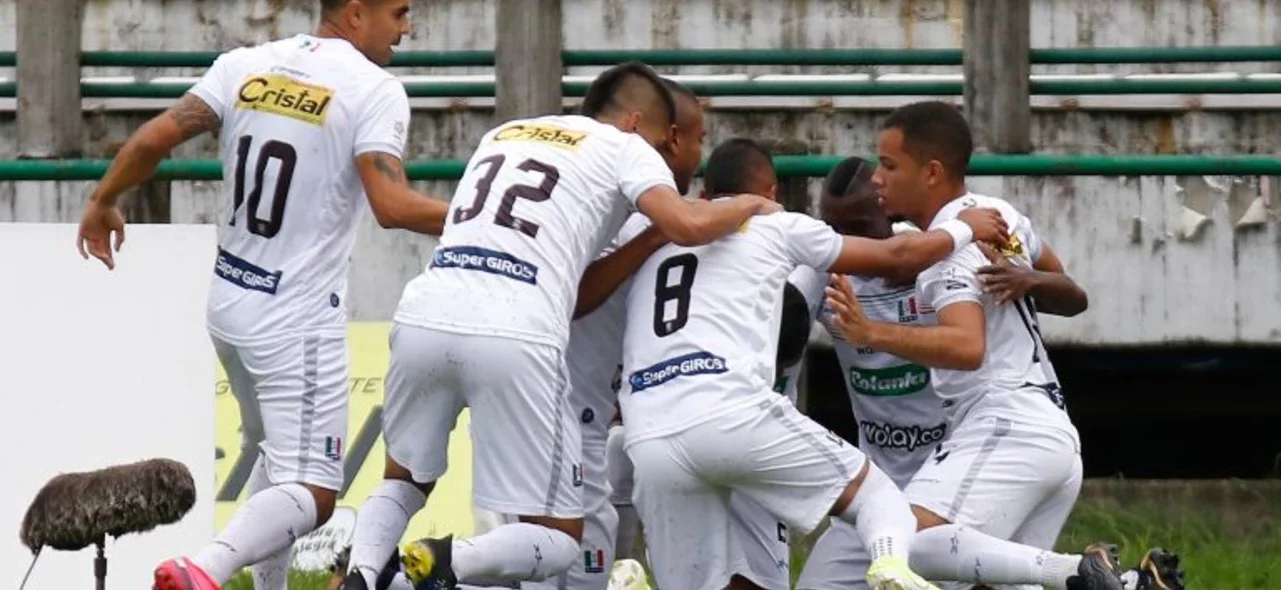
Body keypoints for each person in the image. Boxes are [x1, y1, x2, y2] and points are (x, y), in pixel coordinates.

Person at [341, 61, 784, 590]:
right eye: (679, 139)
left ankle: (363, 573)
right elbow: (682, 226)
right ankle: (439, 562)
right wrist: (751, 205)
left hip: (424, 311)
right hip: (525, 347)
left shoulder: (507, 133)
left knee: (405, 479)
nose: (679, 154)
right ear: (639, 123)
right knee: (561, 542)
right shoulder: (628, 162)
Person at [75, 2, 451, 590]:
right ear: (355, 13)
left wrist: (102, 201)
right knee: (315, 490)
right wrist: (484, 222)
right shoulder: (374, 88)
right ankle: (206, 567)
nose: (407, 28)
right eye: (399, 12)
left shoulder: (246, 64)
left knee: (275, 456)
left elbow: (153, 138)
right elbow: (392, 204)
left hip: (229, 302)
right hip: (296, 317)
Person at [617, 137, 1010, 590]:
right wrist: (964, 226)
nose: (848, 234)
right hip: (732, 410)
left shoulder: (652, 238)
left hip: (649, 431)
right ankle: (889, 567)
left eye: (858, 224)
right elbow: (886, 262)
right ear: (772, 193)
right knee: (876, 499)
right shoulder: (780, 227)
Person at [822, 101, 1184, 590]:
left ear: (931, 173)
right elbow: (1071, 292)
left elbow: (967, 346)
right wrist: (1029, 277)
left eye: (889, 166)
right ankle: (1130, 585)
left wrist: (872, 333)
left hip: (1005, 424)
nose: (878, 179)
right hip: (1049, 433)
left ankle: (1088, 572)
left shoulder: (947, 252)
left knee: (907, 543)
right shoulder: (999, 214)